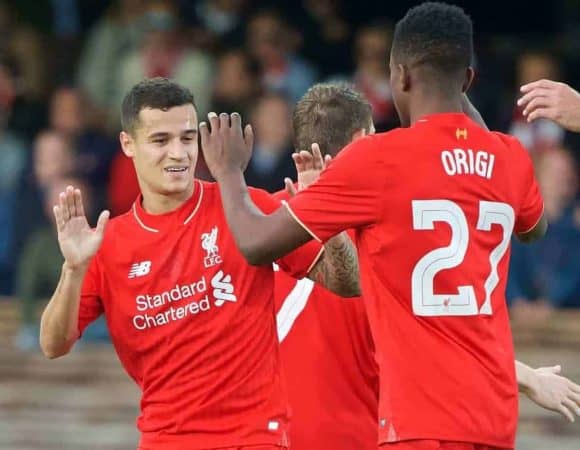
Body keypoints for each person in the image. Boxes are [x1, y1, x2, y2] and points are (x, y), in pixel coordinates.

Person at [200, 3, 578, 448]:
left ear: (399, 76)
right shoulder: (509, 155)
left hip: (421, 422)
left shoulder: (378, 161)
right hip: (494, 419)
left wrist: (226, 172)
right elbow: (533, 230)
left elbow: (255, 242)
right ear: (468, 81)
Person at [39, 78, 358, 450]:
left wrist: (327, 220)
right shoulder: (107, 244)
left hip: (254, 438)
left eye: (188, 139)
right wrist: (74, 269)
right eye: (161, 141)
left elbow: (347, 283)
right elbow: (52, 344)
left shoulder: (243, 208)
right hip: (165, 440)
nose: (178, 154)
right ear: (128, 145)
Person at [277, 82, 580, 450]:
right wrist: (528, 377)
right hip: (361, 435)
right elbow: (440, 337)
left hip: (275, 433)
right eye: (375, 135)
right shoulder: (390, 236)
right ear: (363, 140)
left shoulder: (267, 217)